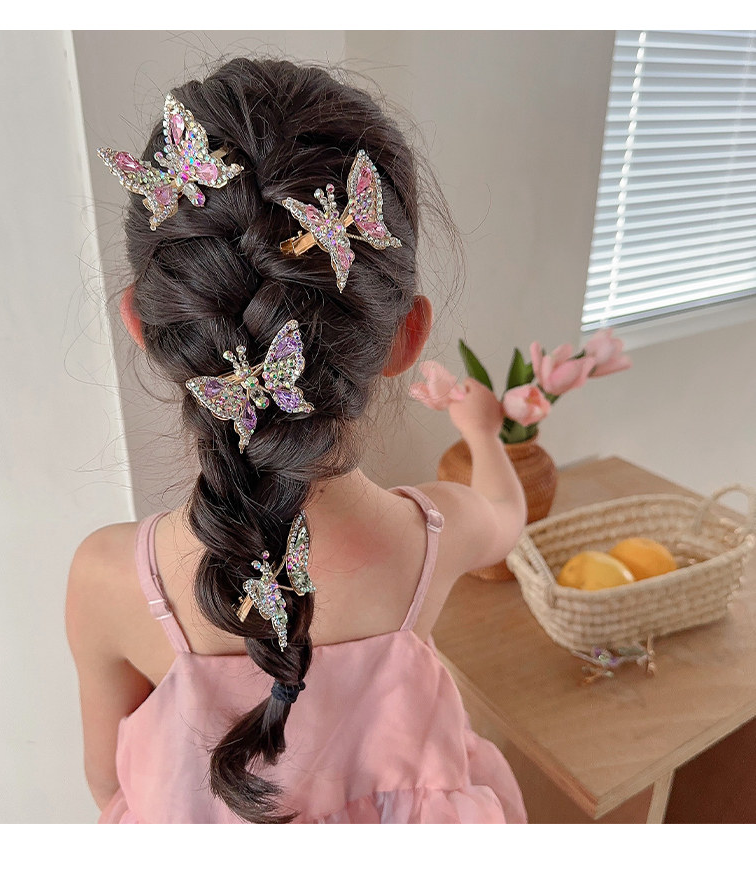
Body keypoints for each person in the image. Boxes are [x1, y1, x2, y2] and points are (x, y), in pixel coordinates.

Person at [66, 57, 528, 824]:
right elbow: (507, 514)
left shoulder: (108, 577)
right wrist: (483, 432)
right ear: (406, 336)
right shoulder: (430, 534)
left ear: (143, 326)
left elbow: (106, 782)